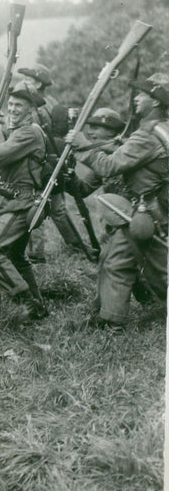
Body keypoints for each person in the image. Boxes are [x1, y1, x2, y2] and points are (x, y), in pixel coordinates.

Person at [66, 73, 168, 330]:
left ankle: (112, 320)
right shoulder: (159, 130)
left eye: (143, 95)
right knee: (116, 262)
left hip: (148, 212)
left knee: (159, 273)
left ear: (155, 102)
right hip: (148, 209)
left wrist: (83, 146)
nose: (137, 99)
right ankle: (110, 321)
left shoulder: (145, 136)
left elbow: (110, 166)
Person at [0, 81, 49, 324]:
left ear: (31, 109)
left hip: (21, 203)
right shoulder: (20, 132)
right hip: (15, 200)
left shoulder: (29, 132)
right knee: (16, 256)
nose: (13, 109)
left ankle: (26, 302)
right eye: (10, 104)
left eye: (19, 105)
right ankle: (38, 306)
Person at [19, 64, 90, 261]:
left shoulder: (39, 105)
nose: (23, 82)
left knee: (36, 205)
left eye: (28, 79)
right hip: (55, 162)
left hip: (41, 162)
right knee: (57, 209)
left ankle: (36, 254)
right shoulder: (52, 103)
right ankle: (78, 247)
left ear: (38, 83)